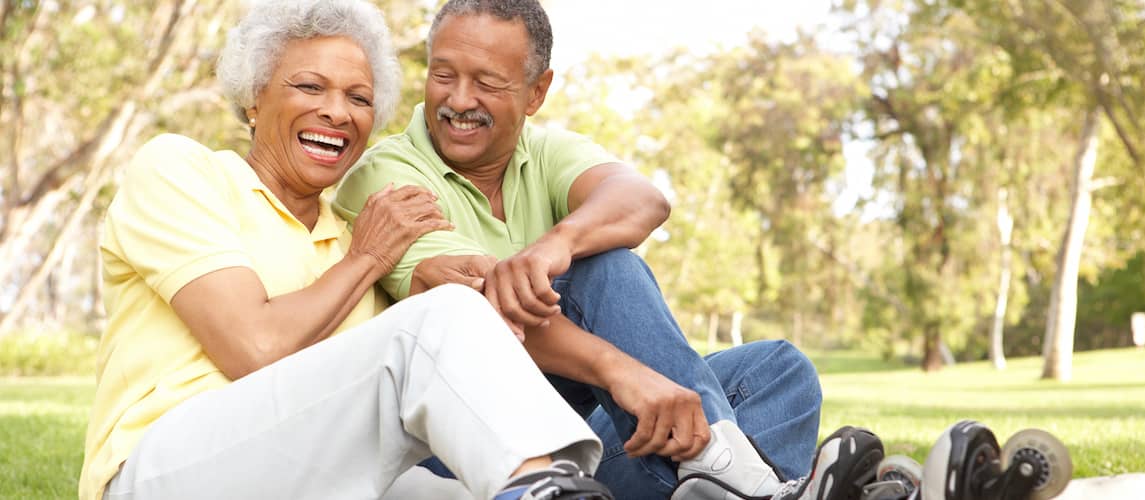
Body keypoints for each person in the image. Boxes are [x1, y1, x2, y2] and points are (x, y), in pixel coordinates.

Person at [333, 1, 884, 499]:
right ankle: (740, 476)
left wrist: (555, 243)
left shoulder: (543, 152)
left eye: (487, 83)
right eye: (443, 75)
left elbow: (642, 200)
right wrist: (623, 372)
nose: (458, 100)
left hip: (567, 438)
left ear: (536, 92)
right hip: (457, 447)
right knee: (604, 272)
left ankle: (724, 483)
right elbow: (476, 313)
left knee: (780, 371)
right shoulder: (386, 176)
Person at [78, 1, 616, 499]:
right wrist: (370, 261)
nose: (337, 112)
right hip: (162, 471)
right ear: (254, 96)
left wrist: (472, 287)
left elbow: (384, 379)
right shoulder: (182, 170)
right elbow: (254, 348)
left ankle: (544, 485)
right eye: (310, 87)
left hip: (303, 471)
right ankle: (541, 491)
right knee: (444, 317)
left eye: (359, 98)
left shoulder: (352, 234)